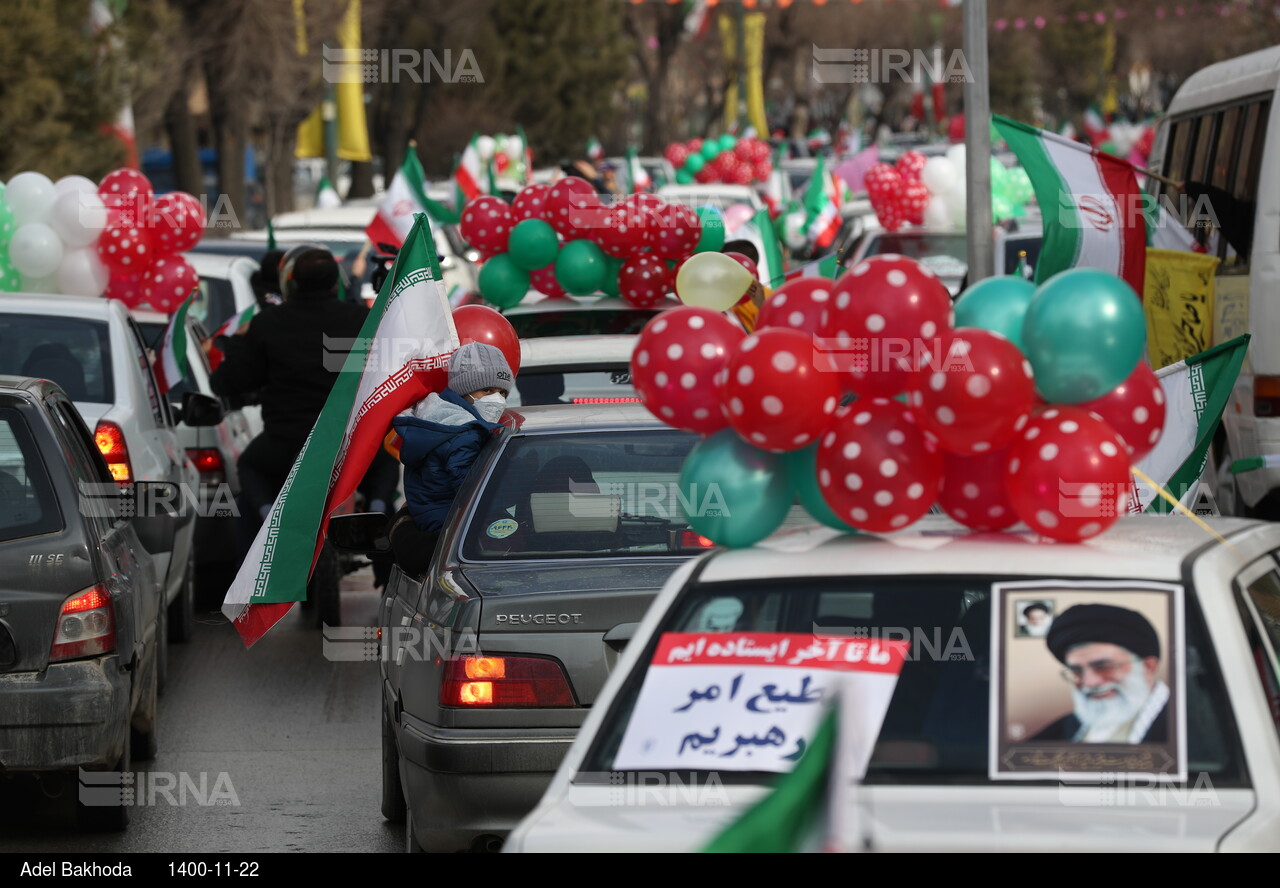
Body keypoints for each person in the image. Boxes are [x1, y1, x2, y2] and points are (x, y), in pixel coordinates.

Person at [210, 245, 370, 558]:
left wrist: (239, 344)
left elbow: (233, 380)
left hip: (285, 442)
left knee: (249, 466)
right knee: (383, 473)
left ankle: (267, 519)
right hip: (345, 442)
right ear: (335, 283)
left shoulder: (267, 323)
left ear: (291, 281)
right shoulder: (361, 319)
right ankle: (378, 521)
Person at [386, 342, 512, 576]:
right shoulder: (464, 433)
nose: (497, 399)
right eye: (487, 390)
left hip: (430, 517)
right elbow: (473, 493)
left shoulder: (438, 419)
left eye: (503, 392)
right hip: (449, 530)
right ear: (464, 390)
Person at [1030, 603, 1169, 744]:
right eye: (1076, 671)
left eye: (1104, 667)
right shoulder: (1060, 731)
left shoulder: (1183, 723)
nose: (1090, 682)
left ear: (1148, 667)